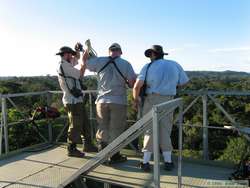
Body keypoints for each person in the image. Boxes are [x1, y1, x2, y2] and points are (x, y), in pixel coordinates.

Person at [133, 45, 189, 171]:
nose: (149, 58)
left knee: (149, 129)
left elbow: (137, 86)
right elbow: (184, 82)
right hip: (169, 100)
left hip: (152, 99)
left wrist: (136, 100)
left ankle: (146, 162)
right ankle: (168, 162)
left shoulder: (148, 67)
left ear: (153, 54)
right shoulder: (174, 64)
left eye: (149, 55)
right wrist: (172, 87)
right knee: (165, 130)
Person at [83, 42, 137, 163]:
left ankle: (102, 154)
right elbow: (132, 82)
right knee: (116, 129)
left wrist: (86, 50)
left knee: (103, 126)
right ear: (120, 52)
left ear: (109, 51)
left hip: (101, 101)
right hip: (118, 101)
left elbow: (84, 63)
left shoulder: (99, 60)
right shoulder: (126, 64)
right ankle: (114, 155)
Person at [56, 45, 96, 157]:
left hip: (77, 99)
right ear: (64, 55)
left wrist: (78, 51)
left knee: (85, 123)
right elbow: (80, 74)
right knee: (75, 124)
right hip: (71, 101)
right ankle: (71, 148)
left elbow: (76, 59)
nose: (71, 55)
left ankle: (88, 144)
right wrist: (84, 61)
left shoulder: (67, 63)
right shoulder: (64, 66)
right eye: (69, 54)